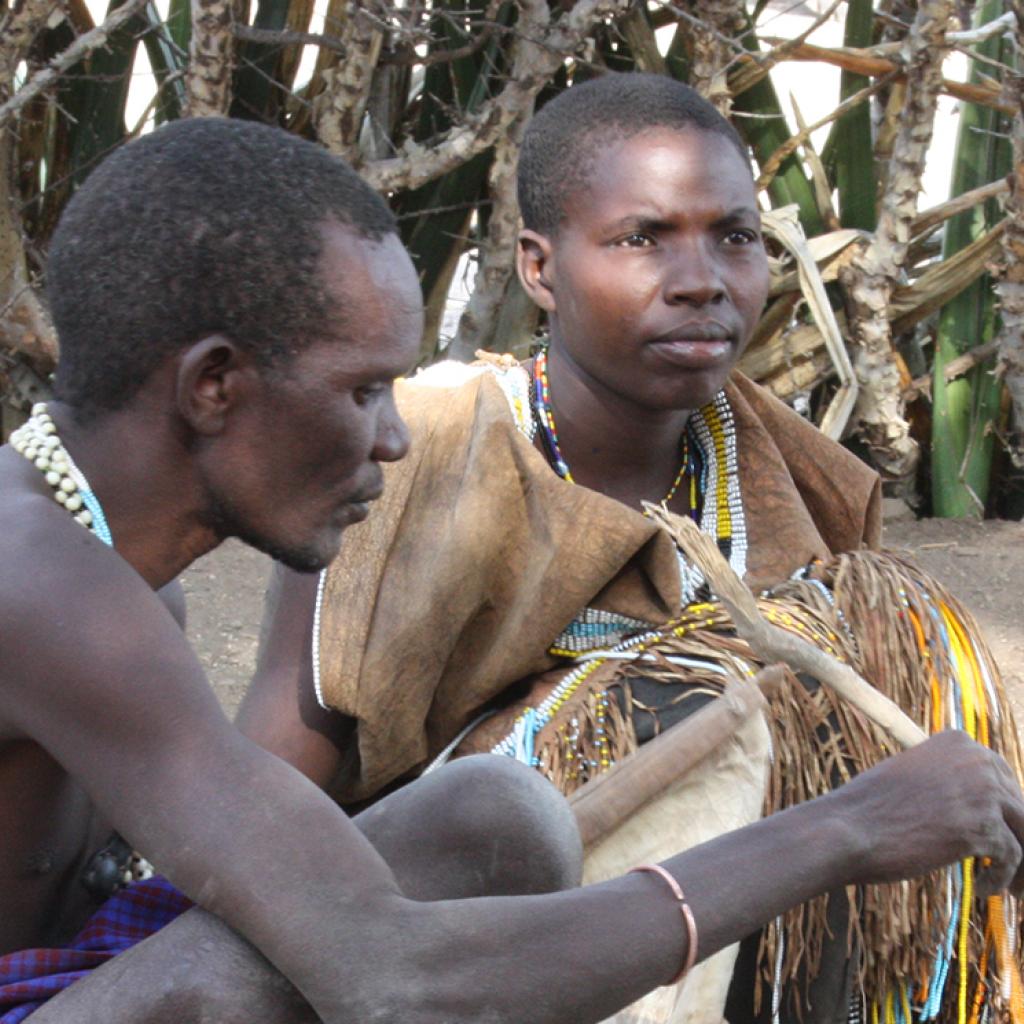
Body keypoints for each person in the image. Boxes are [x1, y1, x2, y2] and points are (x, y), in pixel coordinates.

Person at [0, 113, 1021, 1024]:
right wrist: (846, 829)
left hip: (75, 972)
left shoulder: (122, 578)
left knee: (496, 817)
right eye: (361, 392)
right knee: (219, 989)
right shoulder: (38, 584)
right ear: (214, 386)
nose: (394, 440)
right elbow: (389, 980)